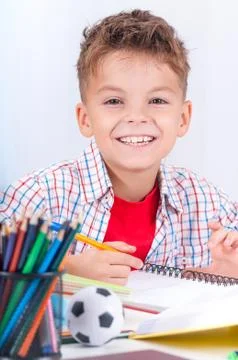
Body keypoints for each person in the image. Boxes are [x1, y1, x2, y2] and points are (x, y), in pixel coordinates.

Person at [1, 9, 238, 284]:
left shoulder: (204, 201)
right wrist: (66, 267)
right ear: (85, 118)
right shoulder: (42, 196)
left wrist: (228, 275)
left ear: (183, 118)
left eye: (157, 101)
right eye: (114, 101)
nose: (137, 117)